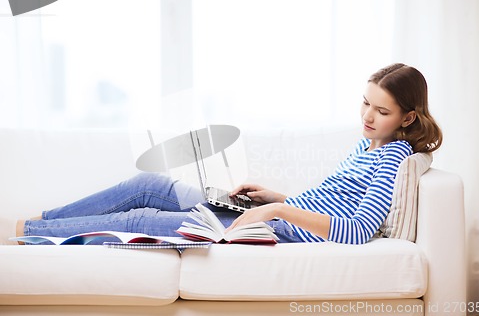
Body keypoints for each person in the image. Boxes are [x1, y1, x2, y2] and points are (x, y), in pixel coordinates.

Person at [0, 63, 442, 245]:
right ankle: (43, 219)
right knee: (147, 184)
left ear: (407, 117)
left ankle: (28, 235)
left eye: (381, 110)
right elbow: (333, 200)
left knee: (135, 221)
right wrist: (274, 197)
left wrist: (279, 213)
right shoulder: (368, 145)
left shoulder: (391, 159)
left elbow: (360, 230)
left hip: (269, 232)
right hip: (267, 214)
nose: (367, 115)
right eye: (365, 102)